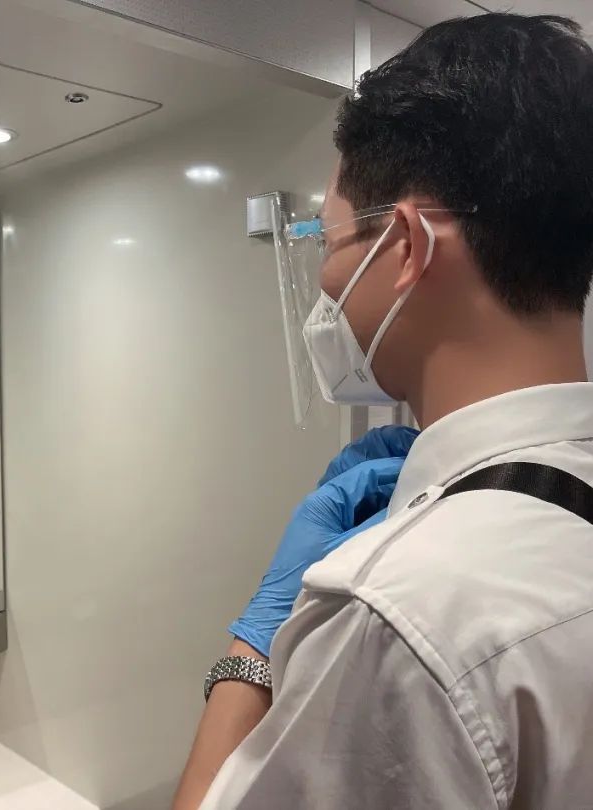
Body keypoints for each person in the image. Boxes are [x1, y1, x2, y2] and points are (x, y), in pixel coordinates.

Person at [176, 13, 593, 810]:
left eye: (330, 240)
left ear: (405, 243)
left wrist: (254, 647)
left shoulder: (400, 615)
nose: (326, 283)